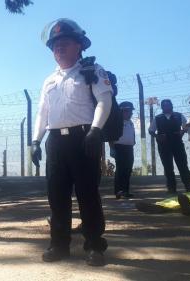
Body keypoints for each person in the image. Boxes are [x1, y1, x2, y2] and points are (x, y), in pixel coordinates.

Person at [32, 18, 112, 266]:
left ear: (79, 45)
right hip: (55, 142)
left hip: (84, 139)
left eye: (65, 43)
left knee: (87, 194)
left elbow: (104, 100)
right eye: (55, 45)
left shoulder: (92, 71)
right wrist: (35, 141)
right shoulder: (49, 80)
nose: (59, 48)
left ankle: (94, 245)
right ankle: (59, 244)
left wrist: (96, 130)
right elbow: (42, 113)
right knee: (56, 196)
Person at [148, 99, 190, 193]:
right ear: (162, 107)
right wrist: (157, 136)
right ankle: (171, 189)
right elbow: (151, 130)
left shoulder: (178, 115)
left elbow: (186, 126)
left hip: (177, 144)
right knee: (168, 167)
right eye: (164, 105)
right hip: (164, 145)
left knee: (183, 166)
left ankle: (189, 187)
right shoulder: (158, 118)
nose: (167, 107)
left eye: (168, 105)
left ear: (172, 106)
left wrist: (182, 132)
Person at [111, 101, 136, 199]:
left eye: (130, 111)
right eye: (128, 111)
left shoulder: (130, 122)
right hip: (119, 147)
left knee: (128, 169)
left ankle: (126, 190)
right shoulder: (117, 122)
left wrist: (133, 142)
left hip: (129, 148)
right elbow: (111, 136)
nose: (130, 113)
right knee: (121, 169)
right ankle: (118, 191)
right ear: (122, 111)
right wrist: (112, 148)